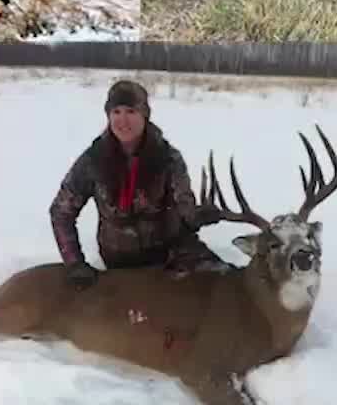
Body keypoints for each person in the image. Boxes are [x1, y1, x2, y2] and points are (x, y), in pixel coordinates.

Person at [50, 80, 228, 288]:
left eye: (131, 111)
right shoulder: (93, 161)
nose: (123, 120)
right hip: (121, 259)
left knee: (222, 282)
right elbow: (61, 212)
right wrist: (74, 263)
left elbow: (184, 208)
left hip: (170, 252)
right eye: (116, 112)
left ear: (144, 115)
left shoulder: (168, 158)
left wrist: (198, 216)